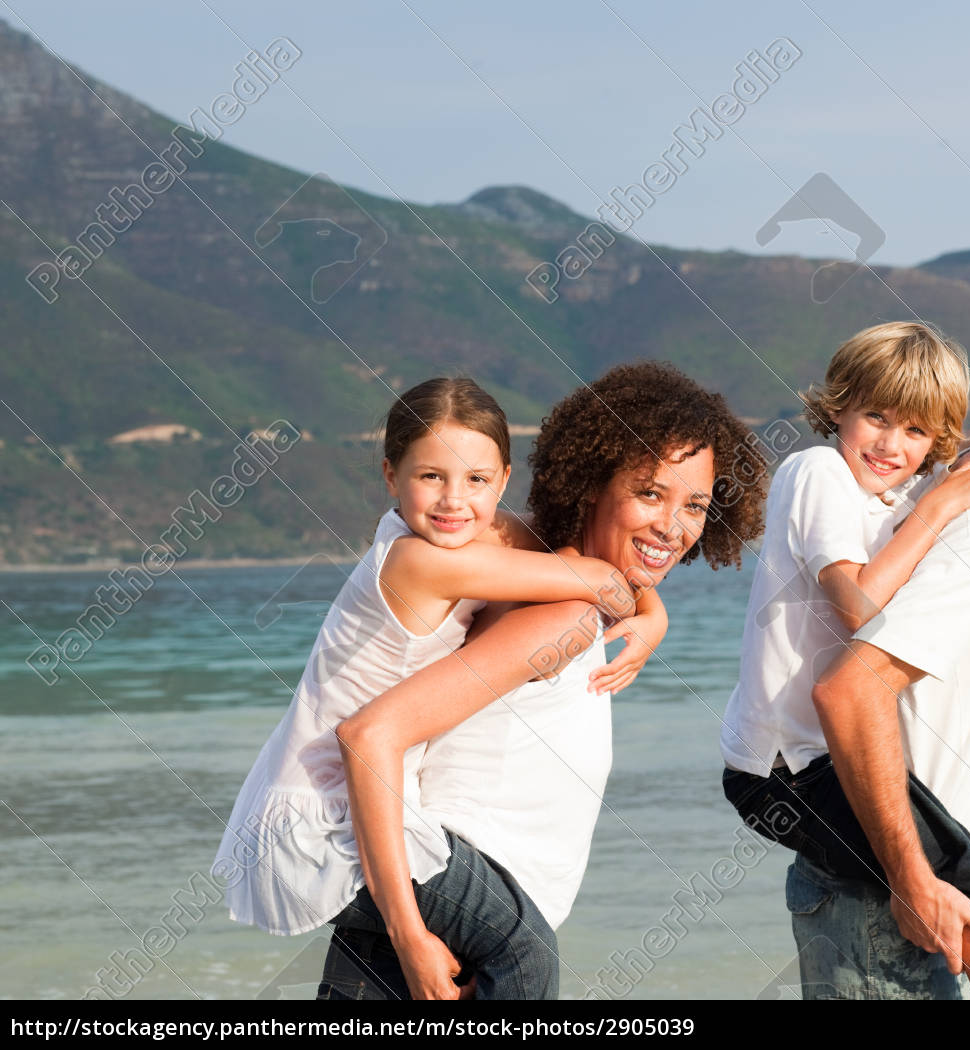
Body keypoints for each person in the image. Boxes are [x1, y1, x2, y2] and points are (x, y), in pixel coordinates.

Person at [319, 361, 768, 999]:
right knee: (529, 958)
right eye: (649, 493)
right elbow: (373, 733)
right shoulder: (561, 612)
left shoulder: (554, 583)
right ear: (592, 485)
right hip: (452, 896)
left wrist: (650, 610)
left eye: (694, 504)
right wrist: (409, 928)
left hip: (431, 885)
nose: (672, 525)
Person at [719, 318, 970, 999]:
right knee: (952, 871)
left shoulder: (893, 488)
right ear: (838, 406)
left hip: (817, 757)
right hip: (779, 774)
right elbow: (857, 606)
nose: (891, 444)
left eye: (914, 432)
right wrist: (939, 505)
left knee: (957, 846)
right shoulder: (818, 472)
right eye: (876, 417)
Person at [212, 376, 652, 996]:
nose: (454, 501)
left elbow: (586, 568)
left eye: (476, 480)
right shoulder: (419, 560)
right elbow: (599, 580)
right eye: (430, 477)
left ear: (502, 480)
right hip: (323, 826)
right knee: (520, 949)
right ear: (391, 476)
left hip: (336, 813)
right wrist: (411, 936)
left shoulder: (473, 538)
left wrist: (643, 608)